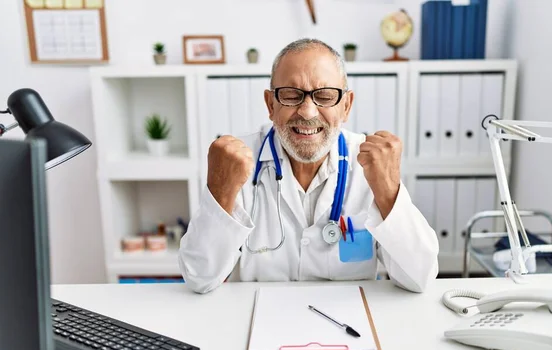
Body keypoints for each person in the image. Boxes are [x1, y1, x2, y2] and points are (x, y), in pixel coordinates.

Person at [178, 38, 439, 294]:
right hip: (256, 321)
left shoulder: (370, 165)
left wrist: (388, 191)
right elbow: (199, 277)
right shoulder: (238, 163)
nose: (307, 112)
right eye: (292, 95)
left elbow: (420, 277)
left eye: (324, 96)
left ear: (346, 106)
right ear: (271, 104)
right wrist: (220, 191)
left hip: (348, 322)